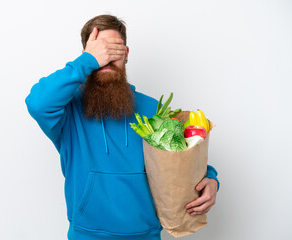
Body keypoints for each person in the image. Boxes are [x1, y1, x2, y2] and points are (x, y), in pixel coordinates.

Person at [25, 14, 219, 240]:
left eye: (114, 51)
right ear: (87, 54)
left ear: (126, 54)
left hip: (145, 234)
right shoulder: (68, 111)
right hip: (86, 235)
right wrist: (87, 61)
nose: (106, 59)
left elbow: (181, 159)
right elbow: (37, 103)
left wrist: (212, 179)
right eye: (100, 51)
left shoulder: (153, 109)